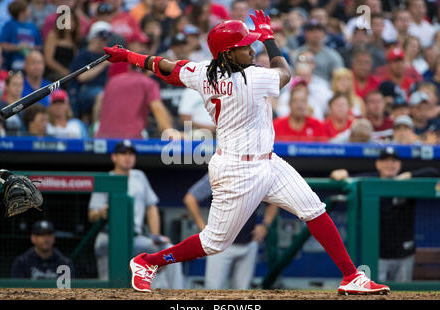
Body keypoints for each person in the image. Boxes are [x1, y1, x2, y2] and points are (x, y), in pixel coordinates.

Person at [104, 10, 390, 295]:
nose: (252, 50)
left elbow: (165, 67)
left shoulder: (203, 71)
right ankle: (148, 262)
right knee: (214, 243)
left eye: (252, 44)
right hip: (237, 170)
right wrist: (269, 38)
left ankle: (351, 276)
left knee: (313, 209)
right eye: (244, 47)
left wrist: (128, 55)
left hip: (268, 161)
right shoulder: (252, 79)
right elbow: (285, 72)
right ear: (228, 55)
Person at [330, 147, 439, 282]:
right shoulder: (371, 180)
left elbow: (433, 172)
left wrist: (409, 175)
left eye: (394, 161)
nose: (390, 164)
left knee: (402, 294)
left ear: (399, 165)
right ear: (378, 164)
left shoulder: (408, 182)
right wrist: (340, 173)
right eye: (385, 161)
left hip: (403, 254)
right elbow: (346, 178)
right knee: (376, 292)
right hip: (377, 255)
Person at [88, 140, 184, 288]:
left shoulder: (139, 176)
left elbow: (151, 207)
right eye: (123, 153)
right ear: (114, 157)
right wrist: (101, 212)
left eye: (131, 154)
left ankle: (178, 297)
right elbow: (91, 215)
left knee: (170, 252)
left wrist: (155, 235)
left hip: (136, 239)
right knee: (108, 287)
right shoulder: (106, 179)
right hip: (109, 239)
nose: (128, 157)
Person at [183, 173, 278, 289]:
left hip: (249, 242)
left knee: (243, 293)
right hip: (220, 245)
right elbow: (190, 198)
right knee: (213, 291)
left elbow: (274, 200)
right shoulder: (219, 172)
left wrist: (265, 225)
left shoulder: (256, 173)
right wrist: (203, 228)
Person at [94, 39, 173, 139]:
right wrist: (170, 132)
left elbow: (100, 106)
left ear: (129, 67)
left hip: (101, 140)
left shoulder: (113, 81)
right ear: (150, 71)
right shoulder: (148, 83)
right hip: (129, 142)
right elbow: (158, 109)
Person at [68, 21, 111, 124]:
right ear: (92, 39)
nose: (102, 43)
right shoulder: (83, 54)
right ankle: (97, 127)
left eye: (105, 40)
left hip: (99, 90)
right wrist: (103, 64)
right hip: (82, 90)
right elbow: (81, 77)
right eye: (100, 39)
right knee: (102, 95)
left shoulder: (103, 55)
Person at [11, 220, 75, 279]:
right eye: (41, 234)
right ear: (33, 238)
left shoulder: (65, 264)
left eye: (49, 234)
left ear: (53, 237)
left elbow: (68, 290)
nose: (46, 238)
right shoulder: (21, 263)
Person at [0, 0, 42, 71]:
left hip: (32, 63)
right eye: (27, 9)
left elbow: (39, 46)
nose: (29, 10)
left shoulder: (32, 26)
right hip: (14, 64)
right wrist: (18, 47)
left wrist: (31, 47)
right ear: (21, 12)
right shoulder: (9, 25)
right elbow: (2, 44)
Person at [43, 10, 81, 82]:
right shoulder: (53, 35)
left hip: (70, 73)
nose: (70, 23)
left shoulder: (74, 40)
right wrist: (65, 72)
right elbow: (48, 60)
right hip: (54, 74)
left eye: (72, 20)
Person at [0, 71, 24, 136]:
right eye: (14, 84)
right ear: (6, 86)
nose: (18, 88)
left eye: (20, 85)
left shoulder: (27, 107)